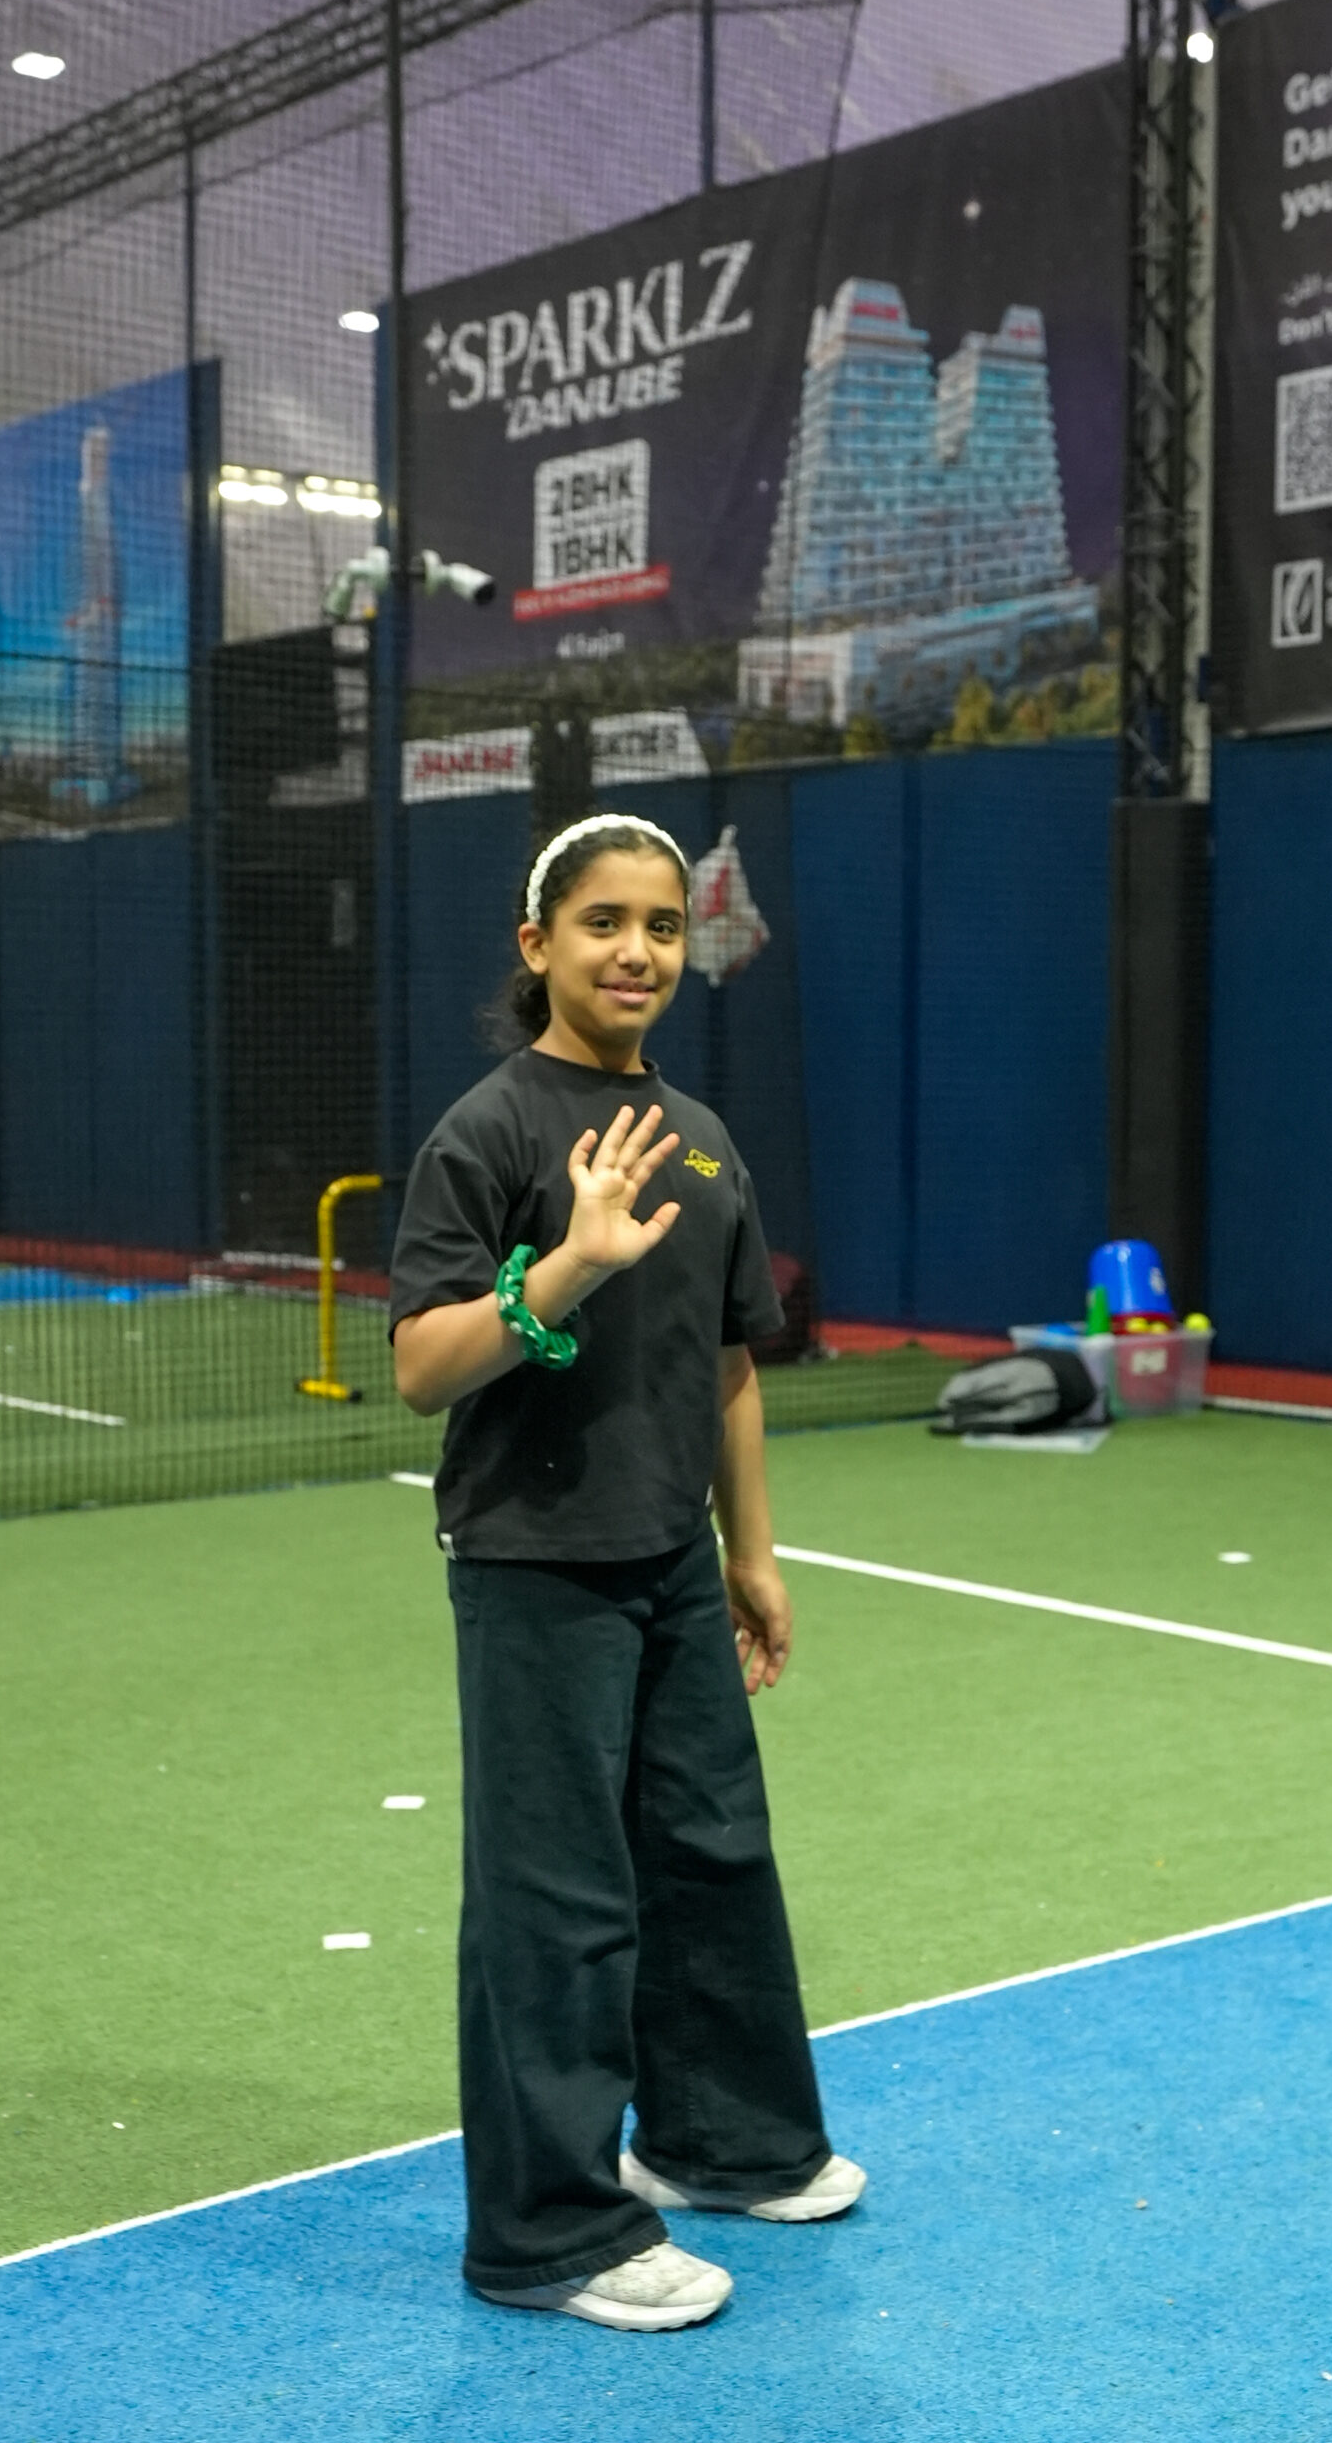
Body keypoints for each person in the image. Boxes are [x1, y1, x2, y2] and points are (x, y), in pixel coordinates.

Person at [388, 811, 864, 2333]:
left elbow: (728, 1366)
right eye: (603, 922)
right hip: (534, 1568)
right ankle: (547, 2233)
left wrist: (751, 1553)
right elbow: (421, 1367)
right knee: (558, 1899)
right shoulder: (486, 1135)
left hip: (672, 1565)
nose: (637, 950)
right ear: (538, 946)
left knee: (713, 1855)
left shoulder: (703, 1138)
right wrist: (569, 1265)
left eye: (662, 925)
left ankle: (724, 2143)